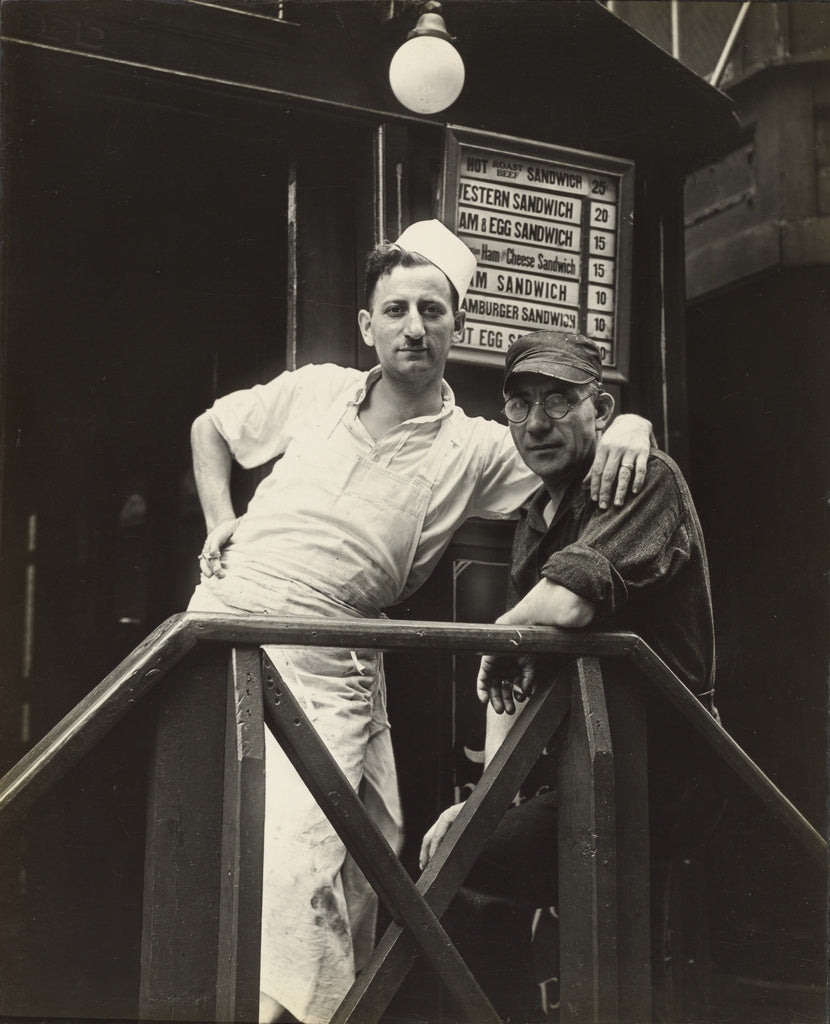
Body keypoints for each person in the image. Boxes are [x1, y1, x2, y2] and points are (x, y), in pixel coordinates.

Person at [187, 222, 654, 1024]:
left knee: (372, 855)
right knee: (289, 865)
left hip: (337, 652)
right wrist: (218, 518)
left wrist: (633, 425)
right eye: (395, 309)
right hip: (233, 625)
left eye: (432, 310)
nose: (414, 326)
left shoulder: (478, 446)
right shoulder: (315, 389)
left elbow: (578, 450)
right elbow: (213, 429)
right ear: (367, 325)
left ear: (455, 327)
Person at [419, 329, 717, 1021]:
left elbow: (569, 599)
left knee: (465, 868)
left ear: (601, 409)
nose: (539, 422)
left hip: (662, 776)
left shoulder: (643, 477)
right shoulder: (536, 516)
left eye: (559, 399)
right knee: (460, 864)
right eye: (520, 404)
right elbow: (514, 690)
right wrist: (486, 802)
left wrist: (504, 636)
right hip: (590, 768)